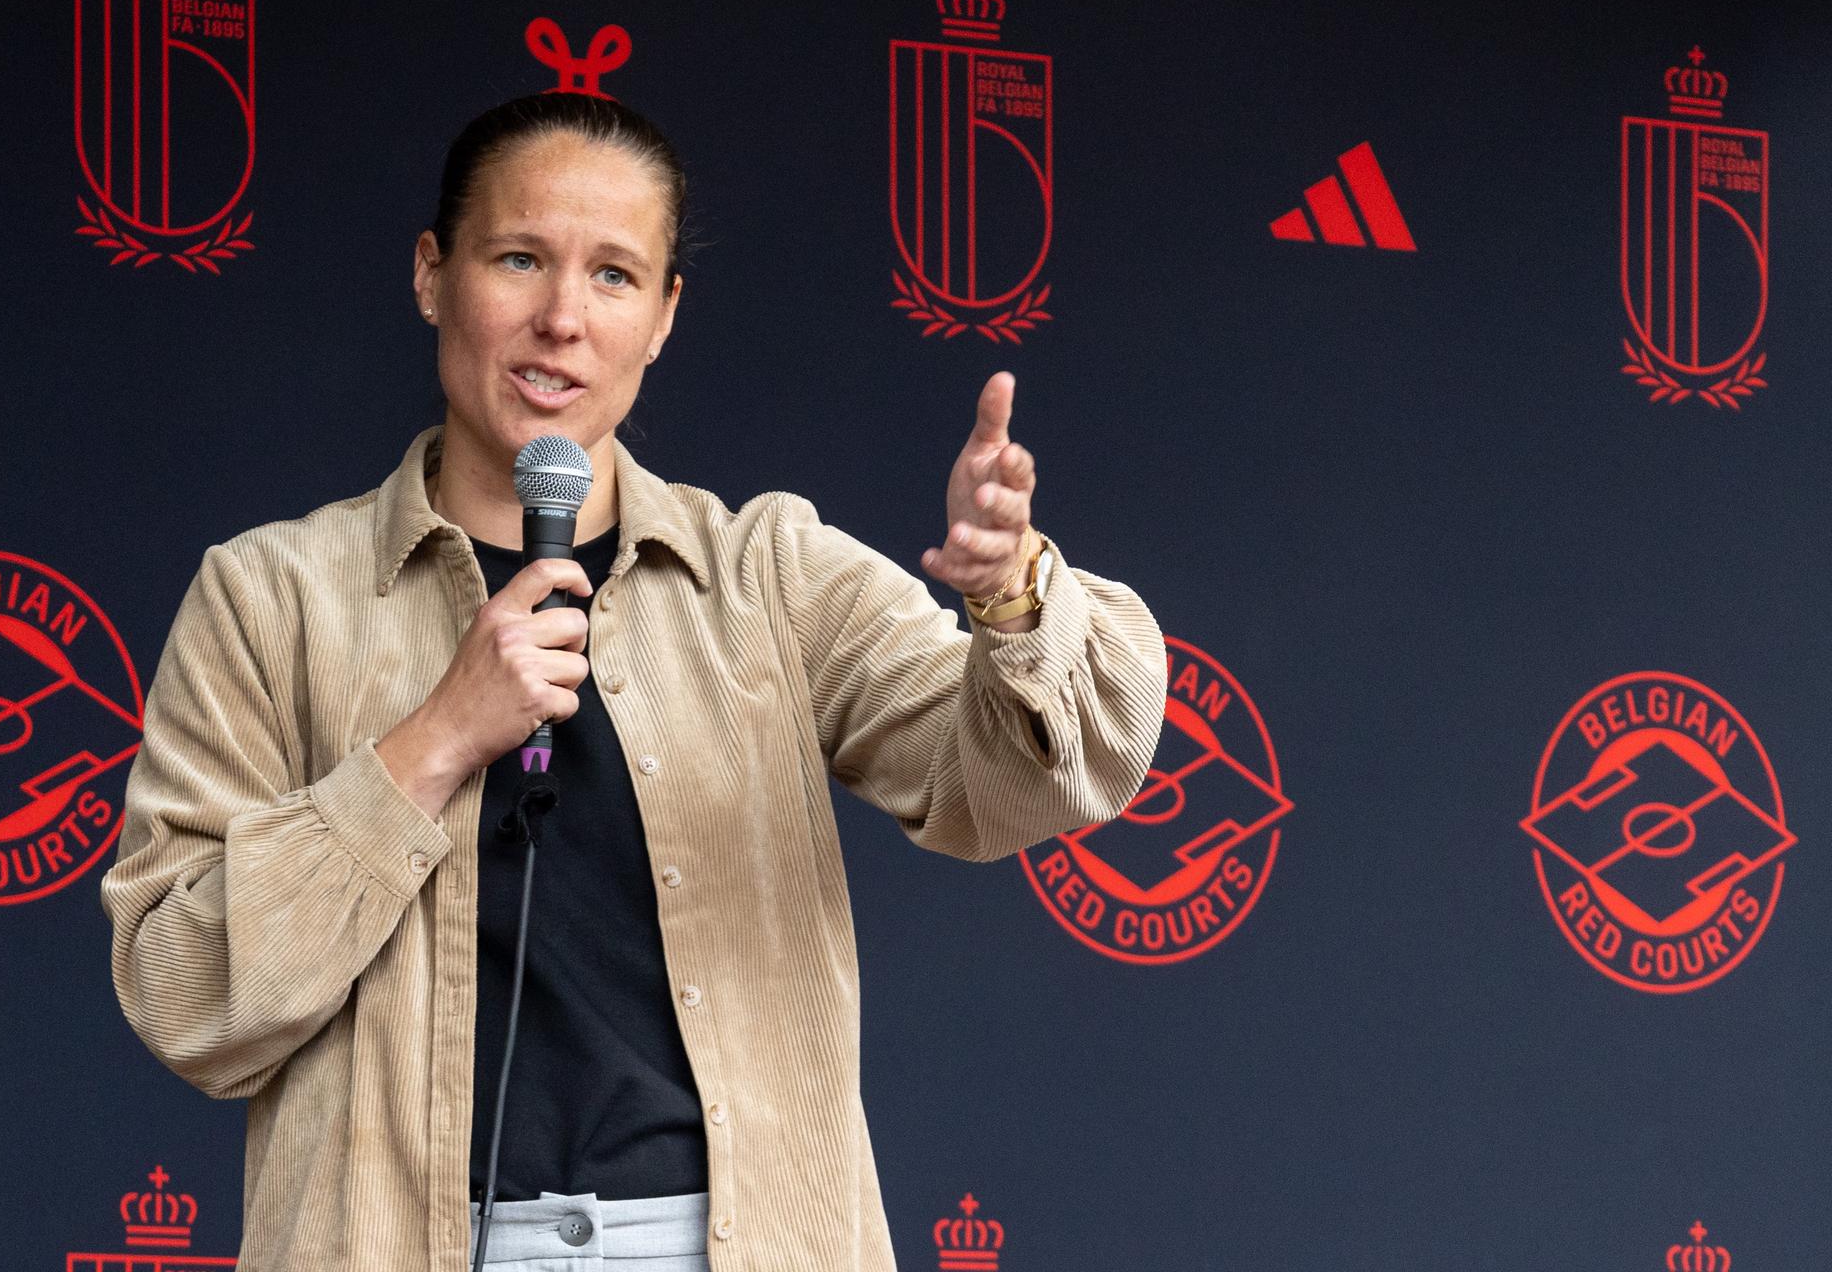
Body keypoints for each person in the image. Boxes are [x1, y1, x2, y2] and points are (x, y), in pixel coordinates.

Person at [101, 92, 1167, 1272]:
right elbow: (183, 990)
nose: (562, 318)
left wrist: (1012, 594)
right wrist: (431, 744)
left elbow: (1035, 782)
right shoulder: (271, 597)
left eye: (614, 276)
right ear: (431, 274)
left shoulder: (766, 572)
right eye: (519, 259)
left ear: (663, 318)